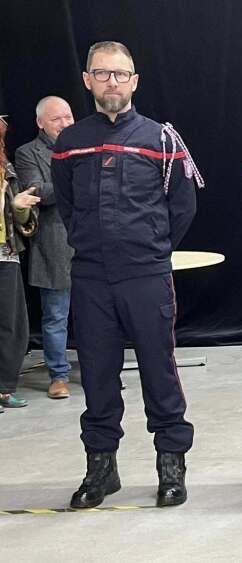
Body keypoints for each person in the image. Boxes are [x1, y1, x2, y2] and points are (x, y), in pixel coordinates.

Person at [51, 41, 202, 508]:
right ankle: (101, 469)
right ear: (87, 80)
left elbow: (183, 205)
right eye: (102, 73)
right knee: (97, 373)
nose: (111, 82)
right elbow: (68, 206)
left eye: (120, 74)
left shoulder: (161, 139)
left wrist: (151, 247)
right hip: (92, 277)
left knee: (159, 370)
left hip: (145, 275)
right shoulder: (70, 142)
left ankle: (171, 466)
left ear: (134, 81)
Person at [15, 96, 76, 399]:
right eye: (56, 119)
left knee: (100, 314)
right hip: (53, 245)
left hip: (93, 242)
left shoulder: (86, 144)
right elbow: (36, 191)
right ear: (40, 123)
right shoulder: (27, 153)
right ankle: (58, 376)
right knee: (55, 316)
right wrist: (81, 182)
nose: (65, 124)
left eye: (68, 117)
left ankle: (102, 371)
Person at [1, 115, 40, 412]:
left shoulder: (7, 172)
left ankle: (4, 388)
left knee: (11, 324)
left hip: (5, 253)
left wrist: (19, 209)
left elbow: (22, 221)